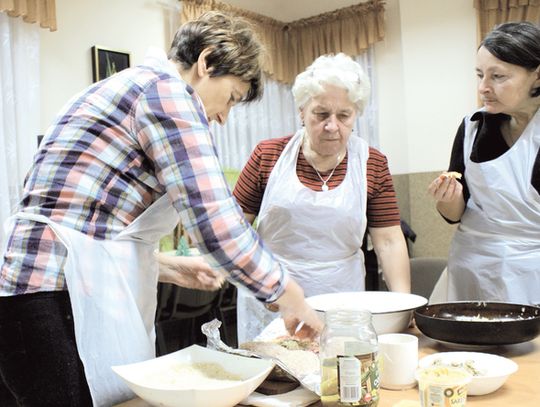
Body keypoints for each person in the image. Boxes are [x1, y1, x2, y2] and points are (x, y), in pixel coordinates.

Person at [0, 11, 322, 407]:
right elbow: (215, 223)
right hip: (46, 295)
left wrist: (166, 266)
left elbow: (92, 219)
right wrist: (289, 295)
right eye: (231, 98)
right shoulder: (165, 92)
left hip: (38, 291)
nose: (223, 116)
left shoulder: (130, 87)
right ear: (205, 63)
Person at [233, 53, 411, 343]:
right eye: (321, 114)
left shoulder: (372, 163)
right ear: (302, 111)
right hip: (273, 297)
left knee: (340, 374)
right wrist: (263, 284)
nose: (331, 126)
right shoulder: (268, 155)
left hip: (341, 299)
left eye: (344, 116)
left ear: (356, 115)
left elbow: (389, 240)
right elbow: (234, 231)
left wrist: (404, 307)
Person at [428, 21, 540, 305]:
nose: (483, 88)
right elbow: (456, 213)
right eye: (479, 75)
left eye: (498, 76)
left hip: (529, 276)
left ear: (536, 77)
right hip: (469, 268)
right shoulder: (472, 127)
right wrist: (447, 199)